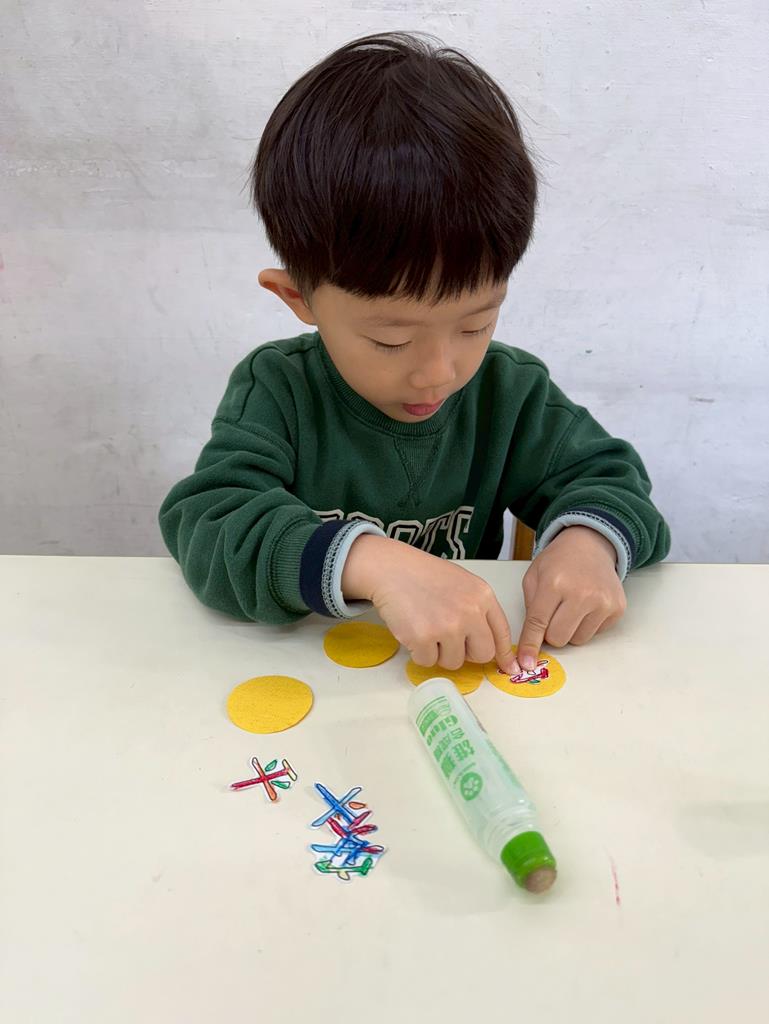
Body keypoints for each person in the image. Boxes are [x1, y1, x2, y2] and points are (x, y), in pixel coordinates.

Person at [159, 31, 670, 676]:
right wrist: (366, 561)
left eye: (476, 325)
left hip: (463, 676)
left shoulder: (509, 392)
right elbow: (209, 523)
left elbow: (608, 477)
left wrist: (589, 542)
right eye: (391, 340)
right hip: (315, 675)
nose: (439, 372)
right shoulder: (277, 389)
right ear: (298, 298)